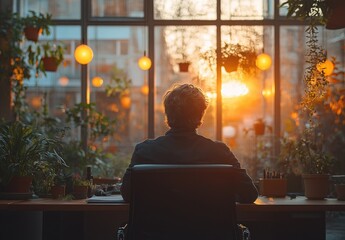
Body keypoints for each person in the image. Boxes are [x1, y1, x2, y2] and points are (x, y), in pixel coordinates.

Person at [120, 83, 258, 203]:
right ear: (200, 115)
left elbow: (127, 194)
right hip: (209, 233)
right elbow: (249, 194)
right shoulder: (220, 153)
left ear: (167, 114)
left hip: (157, 233)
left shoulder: (144, 151)